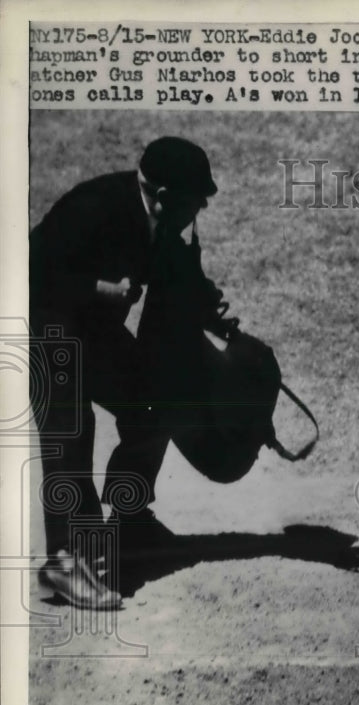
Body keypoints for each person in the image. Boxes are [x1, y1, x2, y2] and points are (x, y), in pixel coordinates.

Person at [30, 136, 222, 609]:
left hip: (89, 333)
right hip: (41, 326)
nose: (198, 208)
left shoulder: (160, 216)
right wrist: (99, 288)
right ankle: (64, 560)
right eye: (193, 200)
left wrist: (211, 311)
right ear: (161, 195)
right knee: (72, 426)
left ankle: (131, 517)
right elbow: (25, 270)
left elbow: (172, 271)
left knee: (155, 399)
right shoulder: (94, 207)